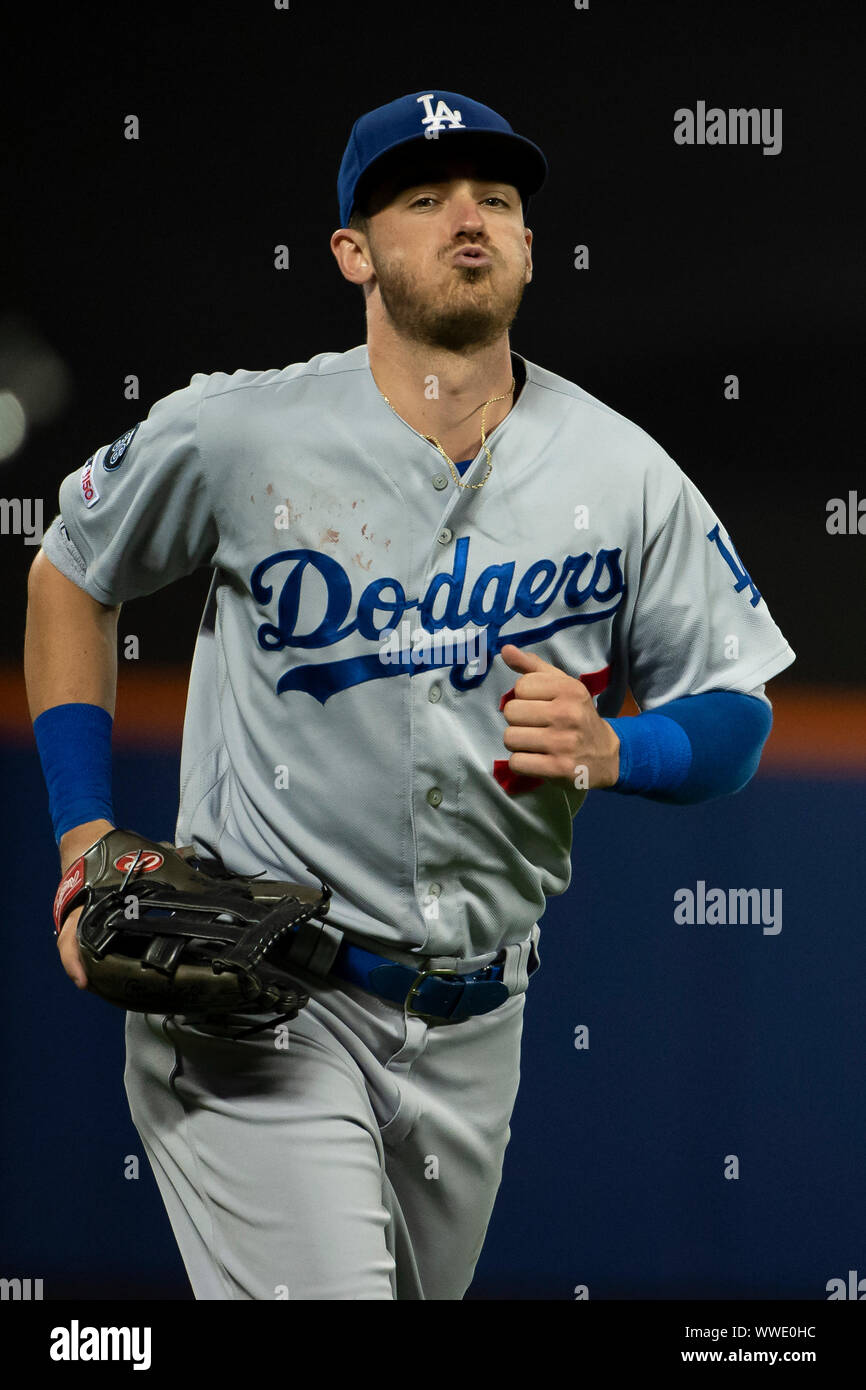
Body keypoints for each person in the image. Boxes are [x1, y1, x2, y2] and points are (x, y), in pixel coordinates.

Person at [24, 89, 795, 1300]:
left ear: (531, 246)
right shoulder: (240, 431)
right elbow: (70, 571)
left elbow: (736, 709)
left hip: (482, 1020)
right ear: (352, 252)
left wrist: (616, 748)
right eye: (422, 199)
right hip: (258, 998)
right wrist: (82, 836)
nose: (467, 219)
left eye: (495, 198)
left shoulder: (619, 467)